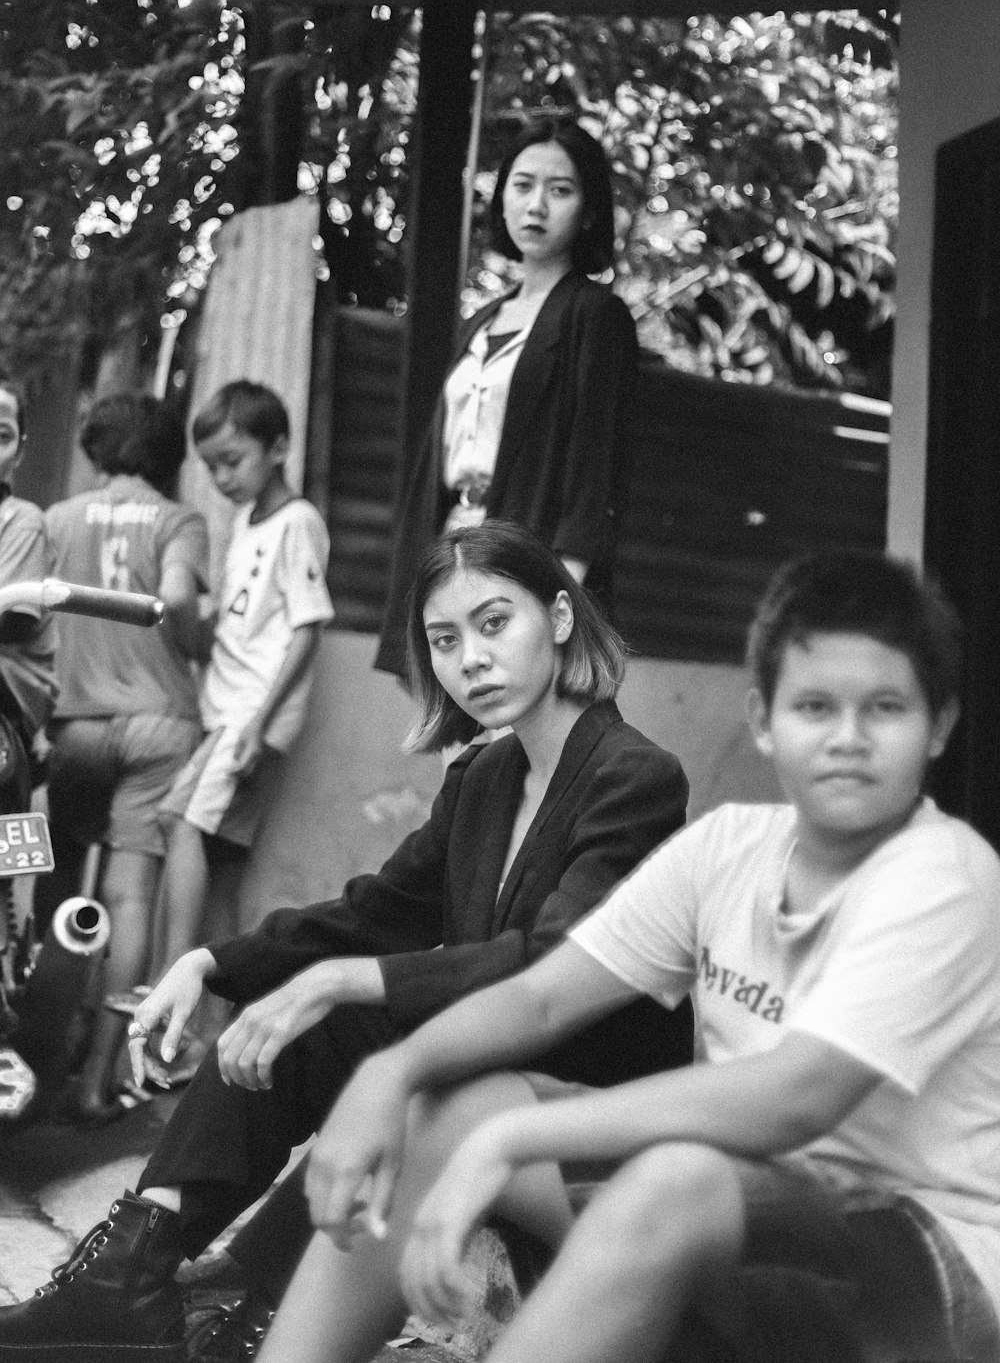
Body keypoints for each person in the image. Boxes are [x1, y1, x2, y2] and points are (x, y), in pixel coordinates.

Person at [257, 549, 1000, 1363]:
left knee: (666, 1180)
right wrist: (388, 1074)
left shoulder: (945, 875)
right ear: (763, 720)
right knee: (448, 1105)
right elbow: (541, 999)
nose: (847, 740)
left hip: (931, 1264)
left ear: (941, 726)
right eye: (815, 706)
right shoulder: (730, 850)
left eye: (885, 709)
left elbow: (798, 1096)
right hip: (747, 1208)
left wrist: (509, 1145)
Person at [0, 521, 691, 1363]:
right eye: (444, 639)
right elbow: (374, 910)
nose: (470, 657)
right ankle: (134, 1265)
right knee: (297, 1013)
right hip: (490, 1062)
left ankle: (244, 1301)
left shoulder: (635, 778)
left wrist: (338, 984)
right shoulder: (484, 777)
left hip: (589, 1094)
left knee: (352, 1016)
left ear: (556, 617)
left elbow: (553, 961)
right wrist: (213, 964)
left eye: (493, 622)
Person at [375, 117, 638, 678]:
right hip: (454, 549)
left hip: (531, 561)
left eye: (560, 190)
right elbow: (435, 463)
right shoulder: (482, 320)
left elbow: (595, 468)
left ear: (589, 210)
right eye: (522, 186)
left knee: (514, 743)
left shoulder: (595, 316)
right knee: (460, 743)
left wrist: (558, 591)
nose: (536, 205)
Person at [40, 392, 208, 1123]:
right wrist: (193, 628)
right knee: (130, 898)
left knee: (52, 884)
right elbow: (177, 600)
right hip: (158, 725)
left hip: (74, 727)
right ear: (169, 457)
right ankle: (95, 1085)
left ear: (97, 448)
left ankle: (34, 1066)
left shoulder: (56, 519)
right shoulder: (179, 521)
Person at [154, 379, 334, 974]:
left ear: (279, 448)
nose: (222, 478)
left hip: (249, 716)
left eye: (232, 460)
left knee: (178, 820)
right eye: (211, 468)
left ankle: (164, 981)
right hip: (227, 711)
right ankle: (218, 1029)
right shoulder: (244, 524)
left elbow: (308, 625)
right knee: (225, 867)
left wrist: (257, 724)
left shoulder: (297, 522)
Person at [0, 367, 58, 769]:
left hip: (10, 700)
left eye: (1, 436)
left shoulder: (22, 521)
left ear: (18, 451)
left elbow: (12, 619)